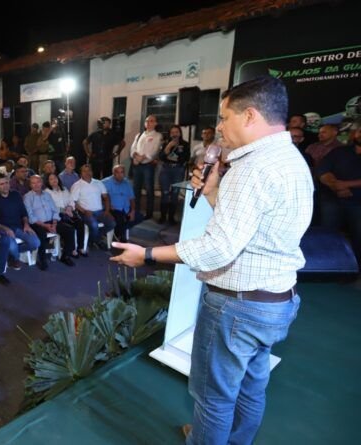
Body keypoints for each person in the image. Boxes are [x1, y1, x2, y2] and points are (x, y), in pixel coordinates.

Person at [111, 76, 312, 444]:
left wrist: (149, 254)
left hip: (236, 309)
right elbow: (248, 229)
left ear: (249, 115)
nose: (218, 128)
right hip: (275, 300)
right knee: (252, 386)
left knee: (214, 398)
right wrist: (213, 191)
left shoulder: (251, 169)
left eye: (224, 118)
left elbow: (219, 247)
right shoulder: (290, 160)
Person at [316, 119, 361, 265]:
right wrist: (336, 186)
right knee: (327, 234)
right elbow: (322, 171)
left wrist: (345, 185)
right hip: (332, 199)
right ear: (355, 134)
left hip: (358, 202)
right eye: (360, 131)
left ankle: (357, 271)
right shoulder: (340, 151)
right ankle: (329, 267)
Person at [24, 175, 76, 268]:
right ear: (30, 185)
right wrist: (45, 226)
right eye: (33, 183)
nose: (36, 185)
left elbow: (55, 210)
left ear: (42, 183)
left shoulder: (47, 195)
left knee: (70, 230)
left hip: (52, 221)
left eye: (38, 182)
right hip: (38, 223)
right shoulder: (27, 197)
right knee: (41, 234)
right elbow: (31, 216)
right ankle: (43, 259)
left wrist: (55, 223)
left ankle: (66, 256)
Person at [0, 174, 40, 270]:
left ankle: (9, 253)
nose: (5, 186)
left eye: (7, 183)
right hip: (3, 229)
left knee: (36, 243)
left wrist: (26, 224)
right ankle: (15, 258)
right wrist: (6, 229)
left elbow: (23, 212)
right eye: (1, 184)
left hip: (18, 227)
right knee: (12, 245)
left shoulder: (16, 195)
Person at [71, 165, 115, 250]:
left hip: (99, 211)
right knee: (94, 225)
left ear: (92, 172)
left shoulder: (98, 183)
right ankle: (96, 241)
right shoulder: (77, 185)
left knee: (112, 223)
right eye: (84, 171)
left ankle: (94, 239)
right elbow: (73, 202)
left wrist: (107, 210)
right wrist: (84, 211)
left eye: (89, 170)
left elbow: (106, 197)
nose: (87, 173)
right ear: (81, 173)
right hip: (85, 212)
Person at [45, 173, 87, 257]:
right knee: (69, 228)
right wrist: (62, 210)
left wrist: (70, 207)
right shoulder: (47, 192)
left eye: (55, 178)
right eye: (51, 179)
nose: (54, 180)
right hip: (56, 216)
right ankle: (72, 249)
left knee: (80, 223)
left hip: (68, 212)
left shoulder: (64, 189)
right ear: (48, 182)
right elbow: (49, 207)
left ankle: (80, 247)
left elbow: (71, 200)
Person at [130, 115, 162, 219]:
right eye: (147, 121)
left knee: (149, 190)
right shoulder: (139, 135)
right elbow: (133, 148)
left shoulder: (158, 136)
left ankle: (149, 213)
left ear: (155, 123)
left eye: (151, 121)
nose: (149, 123)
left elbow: (154, 151)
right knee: (136, 190)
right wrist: (135, 156)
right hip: (137, 165)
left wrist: (142, 158)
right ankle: (136, 210)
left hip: (148, 165)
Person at [158, 125, 190, 224]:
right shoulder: (165, 143)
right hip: (166, 170)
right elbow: (161, 157)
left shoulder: (185, 144)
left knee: (175, 194)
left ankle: (171, 218)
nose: (174, 134)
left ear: (180, 133)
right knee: (165, 193)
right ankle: (163, 217)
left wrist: (173, 158)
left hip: (178, 170)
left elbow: (185, 158)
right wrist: (168, 147)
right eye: (172, 132)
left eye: (176, 132)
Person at [102, 165, 142, 242]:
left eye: (122, 172)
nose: (120, 175)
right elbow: (99, 196)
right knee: (120, 218)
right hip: (113, 209)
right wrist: (108, 205)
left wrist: (133, 210)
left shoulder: (127, 183)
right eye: (117, 172)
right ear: (113, 173)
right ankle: (121, 235)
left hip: (126, 208)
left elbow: (132, 198)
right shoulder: (105, 182)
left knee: (139, 217)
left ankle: (120, 230)